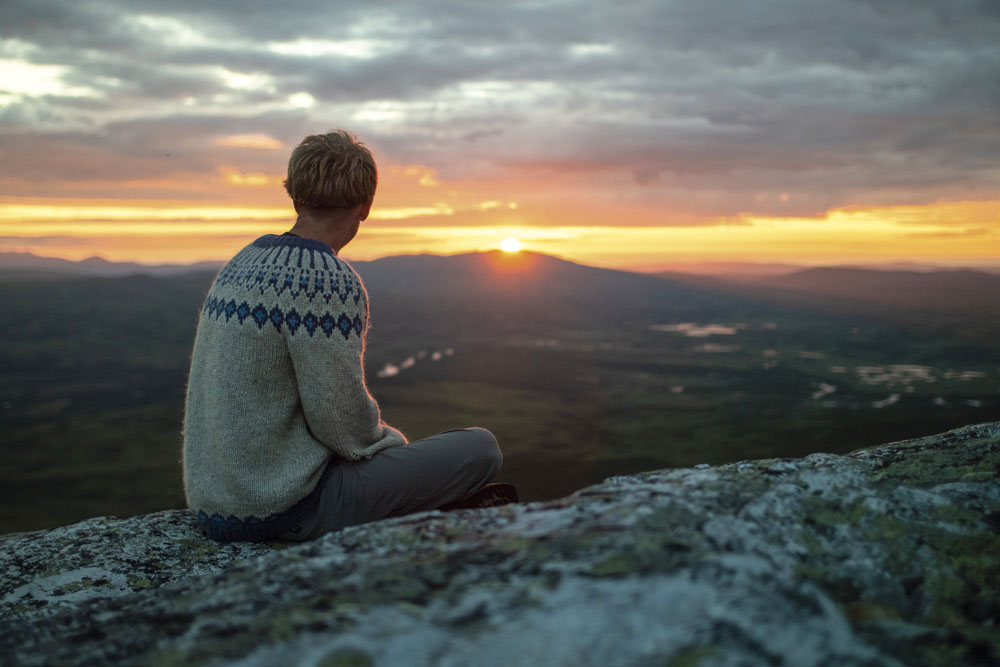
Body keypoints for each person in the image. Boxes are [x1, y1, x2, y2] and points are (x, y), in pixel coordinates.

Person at [182, 129, 512, 542]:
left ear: (295, 196)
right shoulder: (326, 281)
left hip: (217, 504)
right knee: (481, 449)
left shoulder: (240, 263)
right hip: (286, 507)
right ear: (366, 206)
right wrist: (394, 450)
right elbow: (341, 423)